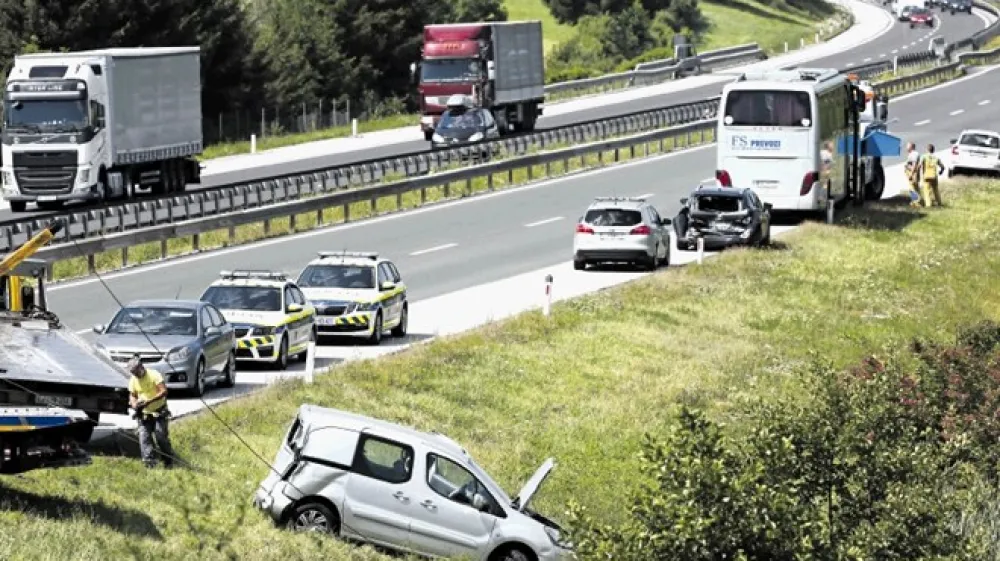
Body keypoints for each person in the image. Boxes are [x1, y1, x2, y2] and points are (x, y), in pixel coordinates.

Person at [127, 355, 175, 468]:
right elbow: (132, 395)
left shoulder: (154, 375)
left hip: (159, 411)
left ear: (141, 367)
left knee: (160, 437)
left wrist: (149, 401)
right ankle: (149, 464)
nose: (135, 375)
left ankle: (168, 461)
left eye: (136, 372)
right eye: (133, 373)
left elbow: (163, 391)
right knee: (144, 439)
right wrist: (134, 403)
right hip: (144, 414)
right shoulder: (133, 380)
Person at [904, 142, 922, 207]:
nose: (906, 148)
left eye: (907, 146)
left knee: (914, 188)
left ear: (911, 147)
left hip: (913, 173)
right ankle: (915, 202)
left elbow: (914, 165)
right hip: (911, 173)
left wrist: (911, 174)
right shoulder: (912, 154)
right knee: (913, 188)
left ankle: (917, 202)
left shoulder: (914, 154)